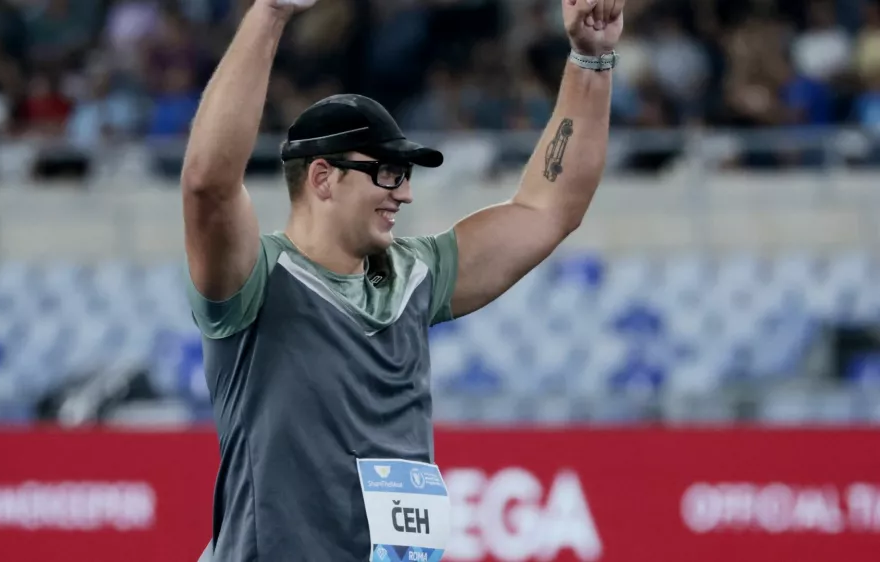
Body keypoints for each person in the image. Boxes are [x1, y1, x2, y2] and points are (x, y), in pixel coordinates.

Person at [183, 0, 625, 560]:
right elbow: (208, 185)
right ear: (323, 178)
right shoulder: (257, 280)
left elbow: (548, 210)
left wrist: (592, 59)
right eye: (387, 172)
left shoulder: (415, 273)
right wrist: (270, 13)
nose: (405, 193)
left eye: (406, 174)